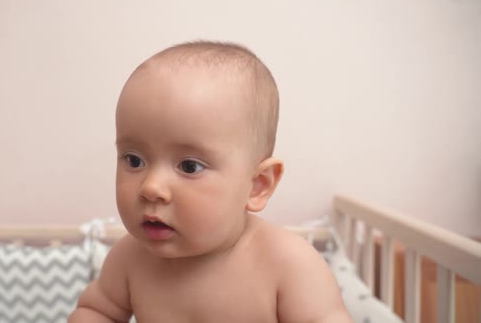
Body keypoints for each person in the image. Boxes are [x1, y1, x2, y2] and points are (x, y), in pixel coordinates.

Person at [69, 41, 351, 322]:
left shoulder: (289, 264)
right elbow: (96, 311)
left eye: (189, 166)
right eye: (134, 160)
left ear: (257, 186)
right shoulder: (129, 258)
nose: (151, 187)